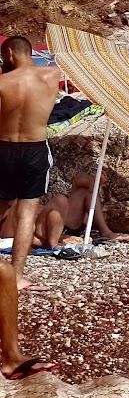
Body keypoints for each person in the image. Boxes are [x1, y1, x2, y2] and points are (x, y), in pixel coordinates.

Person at [0, 35, 62, 380]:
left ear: (9, 53)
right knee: (27, 211)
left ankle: (9, 277)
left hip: (5, 148)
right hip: (36, 149)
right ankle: (18, 274)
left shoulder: (2, 81)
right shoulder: (52, 75)